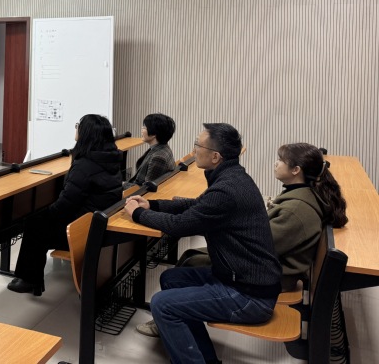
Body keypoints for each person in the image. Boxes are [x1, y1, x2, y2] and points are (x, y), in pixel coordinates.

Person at [135, 142, 348, 339]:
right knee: (183, 266)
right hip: (266, 270)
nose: (275, 163)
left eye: (281, 160)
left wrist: (220, 225)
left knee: (191, 260)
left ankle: (171, 315)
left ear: (296, 170)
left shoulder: (297, 210)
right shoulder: (299, 196)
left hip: (263, 279)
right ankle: (172, 317)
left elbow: (260, 246)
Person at [123, 123, 282, 364]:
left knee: (162, 304)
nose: (194, 150)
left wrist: (137, 214)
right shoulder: (231, 177)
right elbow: (196, 205)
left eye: (198, 145)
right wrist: (153, 205)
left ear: (215, 156)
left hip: (250, 296)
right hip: (239, 279)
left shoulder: (226, 190)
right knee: (171, 279)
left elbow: (180, 226)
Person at [7, 114, 123, 296]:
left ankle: (29, 279)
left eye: (78, 126)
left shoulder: (85, 164)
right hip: (94, 222)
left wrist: (47, 213)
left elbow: (66, 204)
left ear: (86, 134)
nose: (76, 128)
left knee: (34, 224)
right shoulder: (110, 158)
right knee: (39, 220)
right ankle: (30, 278)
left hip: (80, 230)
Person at [123, 113, 176, 190]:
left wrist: (122, 184)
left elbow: (145, 189)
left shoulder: (158, 158)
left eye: (144, 127)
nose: (142, 129)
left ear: (154, 134)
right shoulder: (164, 148)